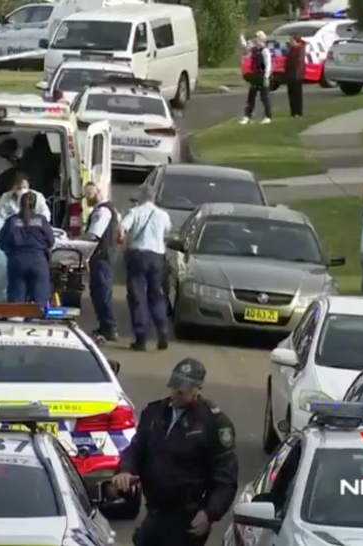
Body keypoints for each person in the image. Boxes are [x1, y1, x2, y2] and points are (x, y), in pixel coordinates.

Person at [113, 358, 238, 546]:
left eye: (182, 391)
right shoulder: (155, 412)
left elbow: (225, 478)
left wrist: (209, 513)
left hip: (186, 518)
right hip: (155, 513)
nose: (175, 394)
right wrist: (126, 469)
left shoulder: (213, 423)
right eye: (173, 388)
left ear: (198, 389)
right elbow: (137, 447)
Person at [120, 184, 171, 351]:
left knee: (137, 295)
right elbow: (166, 233)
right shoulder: (163, 215)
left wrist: (121, 242)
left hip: (138, 255)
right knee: (156, 294)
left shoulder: (135, 212)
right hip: (157, 257)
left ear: (142, 197)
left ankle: (141, 337)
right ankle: (162, 329)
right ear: (154, 197)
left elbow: (122, 229)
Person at [0, 192, 55, 303]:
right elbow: (51, 242)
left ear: (20, 204)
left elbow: (2, 241)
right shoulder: (41, 220)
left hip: (17, 261)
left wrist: (10, 253)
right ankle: (37, 317)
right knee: (40, 301)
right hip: (38, 261)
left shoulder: (12, 221)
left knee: (16, 301)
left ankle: (16, 318)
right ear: (35, 205)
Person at [80, 182, 118, 340]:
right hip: (106, 255)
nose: (86, 200)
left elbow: (93, 235)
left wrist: (76, 242)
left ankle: (109, 327)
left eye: (87, 196)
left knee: (101, 292)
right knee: (100, 292)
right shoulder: (110, 209)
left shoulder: (102, 211)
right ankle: (105, 326)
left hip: (102, 256)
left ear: (95, 194)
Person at [239, 31, 272, 125]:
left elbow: (268, 65)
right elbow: (245, 48)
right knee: (251, 96)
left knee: (264, 97)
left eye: (257, 38)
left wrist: (266, 77)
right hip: (255, 75)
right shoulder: (254, 49)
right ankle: (247, 116)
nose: (255, 40)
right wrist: (242, 39)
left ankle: (268, 116)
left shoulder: (265, 51)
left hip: (262, 75)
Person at [285, 33, 305, 118]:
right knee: (291, 93)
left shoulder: (300, 49)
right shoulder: (291, 49)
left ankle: (298, 112)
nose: (290, 42)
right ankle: (293, 112)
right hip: (290, 75)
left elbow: (298, 64)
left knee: (297, 94)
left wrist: (297, 75)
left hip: (296, 75)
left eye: (291, 40)